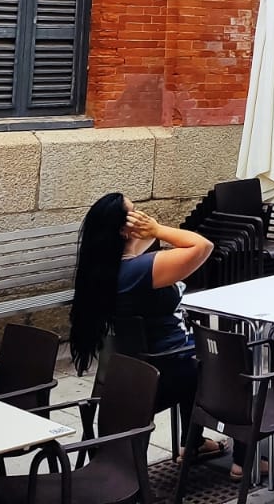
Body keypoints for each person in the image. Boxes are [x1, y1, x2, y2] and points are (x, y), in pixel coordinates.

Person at [69, 193, 254, 477]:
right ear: (123, 229)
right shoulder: (140, 271)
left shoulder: (104, 272)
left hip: (142, 368)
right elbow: (203, 246)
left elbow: (144, 247)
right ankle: (244, 460)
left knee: (194, 352)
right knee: (236, 359)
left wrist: (144, 230)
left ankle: (192, 445)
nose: (142, 216)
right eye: (135, 213)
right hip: (170, 371)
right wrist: (157, 230)